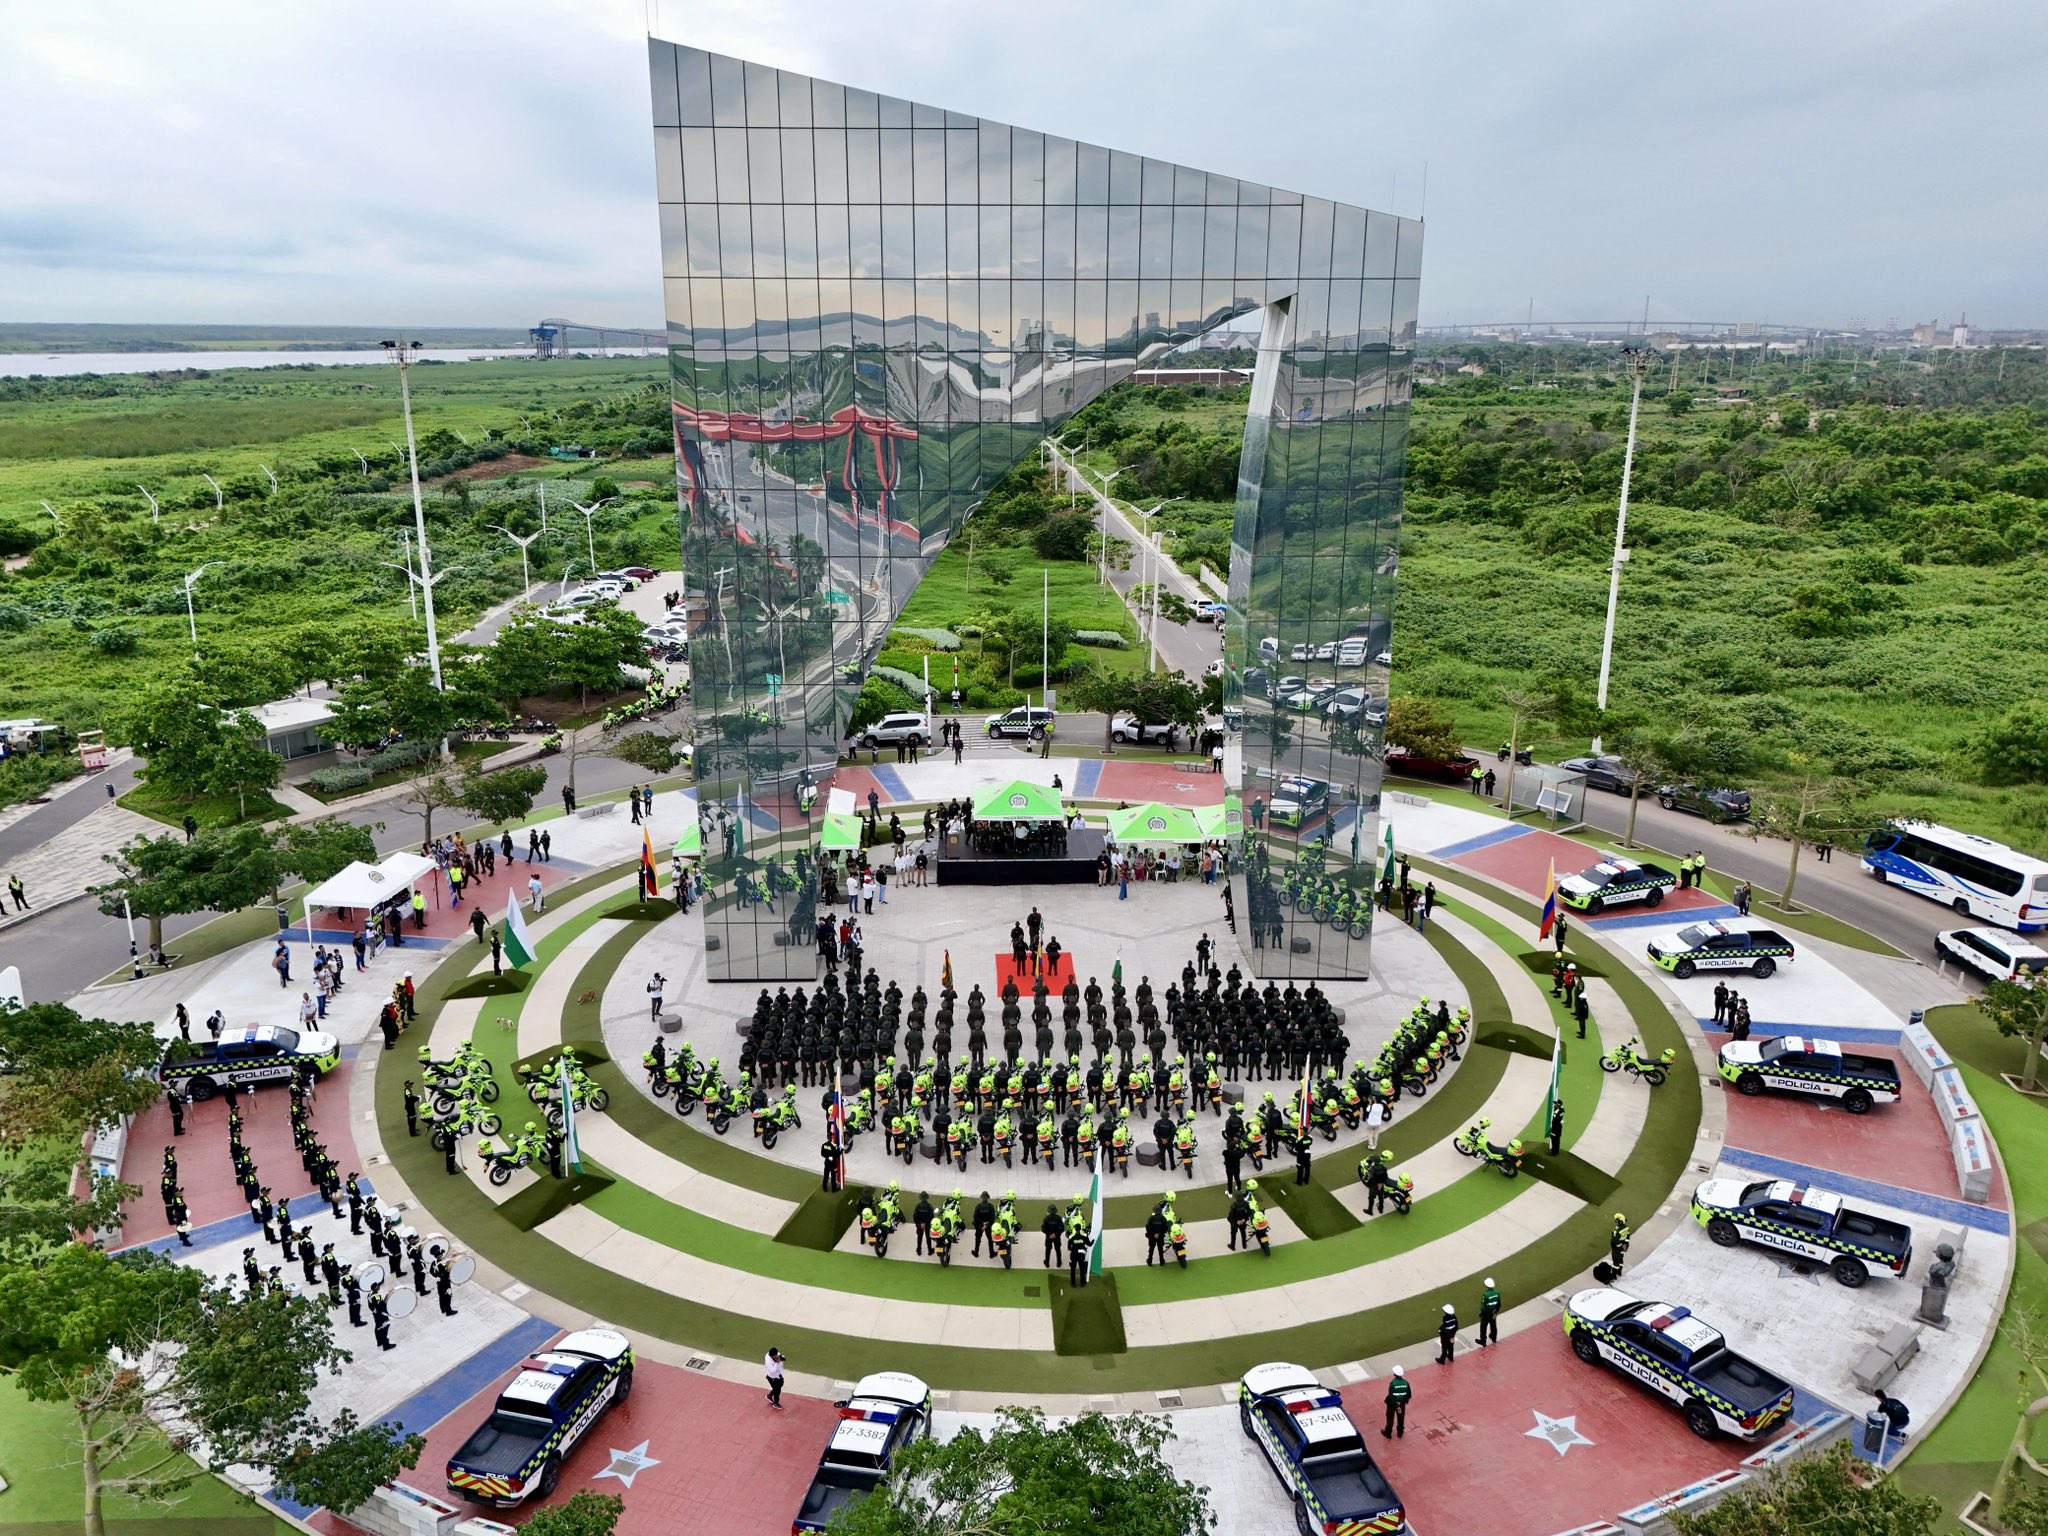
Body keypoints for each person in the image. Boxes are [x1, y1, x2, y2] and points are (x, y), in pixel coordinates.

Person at [1382, 1366, 1409, 1438]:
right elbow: (1408, 1395)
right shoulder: (1406, 1383)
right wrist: (1401, 1403)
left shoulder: (1393, 1383)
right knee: (1401, 1417)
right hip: (1402, 1403)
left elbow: (1391, 1396)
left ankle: (1388, 1432)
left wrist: (1396, 1405)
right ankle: (1400, 1432)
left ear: (1394, 1374)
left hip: (1392, 1404)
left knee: (1390, 1417)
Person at [1478, 1277, 1501, 1347]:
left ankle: (1483, 1341)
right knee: (1493, 1325)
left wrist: (1481, 1312)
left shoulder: (1485, 1294)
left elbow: (1483, 1306)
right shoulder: (1497, 1293)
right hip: (1494, 1312)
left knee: (1483, 1327)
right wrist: (1496, 1312)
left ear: (1486, 1285)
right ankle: (1493, 1337)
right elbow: (1499, 1304)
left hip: (1486, 1313)